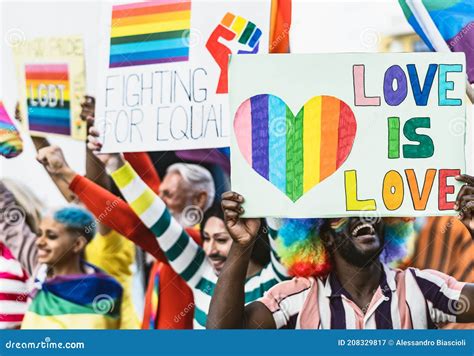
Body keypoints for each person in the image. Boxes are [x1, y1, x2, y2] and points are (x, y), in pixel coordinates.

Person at [85, 126, 289, 328]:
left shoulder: (277, 279)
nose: (210, 250)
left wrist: (265, 160)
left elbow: (276, 220)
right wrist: (116, 165)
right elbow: (158, 220)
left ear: (251, 236)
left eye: (222, 239)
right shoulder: (201, 274)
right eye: (206, 238)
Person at [207, 186, 474, 329]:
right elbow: (222, 339)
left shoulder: (422, 288)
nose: (362, 215)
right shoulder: (297, 299)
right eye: (343, 212)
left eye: (370, 206)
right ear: (324, 236)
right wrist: (242, 245)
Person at [0, 181, 124, 329]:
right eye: (39, 234)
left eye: (51, 236)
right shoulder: (40, 270)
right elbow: (8, 219)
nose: (39, 242)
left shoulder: (106, 288)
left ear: (77, 244)